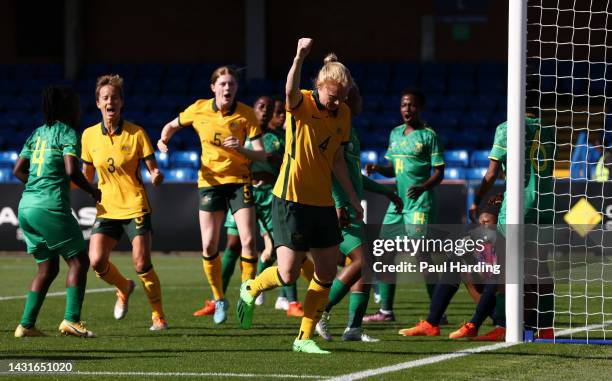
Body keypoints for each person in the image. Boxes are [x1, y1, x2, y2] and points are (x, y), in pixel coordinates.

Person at [236, 38, 363, 354]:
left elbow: (336, 160)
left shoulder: (343, 114)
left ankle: (303, 337)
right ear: (320, 87)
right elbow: (289, 90)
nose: (337, 103)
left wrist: (350, 198)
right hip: (290, 199)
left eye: (342, 98)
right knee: (288, 272)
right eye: (333, 97)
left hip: (322, 202)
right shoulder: (302, 102)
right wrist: (298, 57)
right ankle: (252, 286)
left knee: (326, 271)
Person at [158, 66, 266, 324]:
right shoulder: (198, 109)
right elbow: (171, 126)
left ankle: (247, 296)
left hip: (239, 181)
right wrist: (163, 141)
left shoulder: (246, 114)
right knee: (208, 245)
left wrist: (243, 149)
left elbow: (262, 153)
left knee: (249, 241)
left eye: (231, 84)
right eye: (223, 84)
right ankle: (219, 299)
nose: (227, 88)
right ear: (213, 87)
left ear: (236, 88)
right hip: (210, 182)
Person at [315, 83, 403, 342]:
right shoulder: (336, 130)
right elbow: (330, 173)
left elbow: (354, 179)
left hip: (351, 208)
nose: (361, 100)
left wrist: (387, 192)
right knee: (363, 261)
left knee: (365, 266)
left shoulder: (349, 132)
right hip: (339, 209)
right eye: (357, 95)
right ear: (346, 101)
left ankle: (353, 328)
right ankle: (319, 311)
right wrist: (339, 204)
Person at [467, 82, 555, 340]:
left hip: (518, 206)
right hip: (546, 204)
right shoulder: (549, 130)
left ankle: (503, 326)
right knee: (540, 269)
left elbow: (492, 173)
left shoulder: (506, 129)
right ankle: (546, 327)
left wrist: (477, 199)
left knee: (505, 269)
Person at [82, 74, 167, 331]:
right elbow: (85, 177)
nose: (111, 102)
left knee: (141, 262)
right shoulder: (88, 136)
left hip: (135, 205)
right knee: (96, 261)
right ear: (98, 103)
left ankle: (158, 316)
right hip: (107, 209)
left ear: (121, 103)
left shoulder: (137, 133)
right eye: (106, 98)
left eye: (115, 98)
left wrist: (156, 175)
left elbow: (153, 169)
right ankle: (123, 286)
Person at [13, 86, 100, 338]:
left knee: (47, 269)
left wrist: (36, 183)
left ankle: (26, 325)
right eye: (77, 106)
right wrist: (93, 191)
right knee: (79, 261)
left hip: (26, 207)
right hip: (50, 206)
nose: (80, 110)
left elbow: (18, 170)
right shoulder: (68, 133)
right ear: (69, 110)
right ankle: (72, 320)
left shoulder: (36, 133)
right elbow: (72, 171)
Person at [364, 89, 445, 323]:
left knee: (422, 255)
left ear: (420, 108)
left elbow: (439, 172)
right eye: (403, 105)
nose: (407, 109)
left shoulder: (429, 135)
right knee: (385, 253)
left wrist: (422, 187)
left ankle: (438, 313)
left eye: (412, 105)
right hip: (397, 205)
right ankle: (386, 312)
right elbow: (394, 169)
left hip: (420, 205)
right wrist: (379, 169)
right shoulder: (394, 134)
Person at [397, 195, 502, 338]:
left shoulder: (506, 241)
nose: (483, 226)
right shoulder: (480, 241)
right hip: (495, 305)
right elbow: (480, 284)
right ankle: (431, 323)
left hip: (520, 310)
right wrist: (468, 258)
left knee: (496, 277)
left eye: (487, 222)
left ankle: (480, 325)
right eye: (481, 222)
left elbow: (497, 283)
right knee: (457, 264)